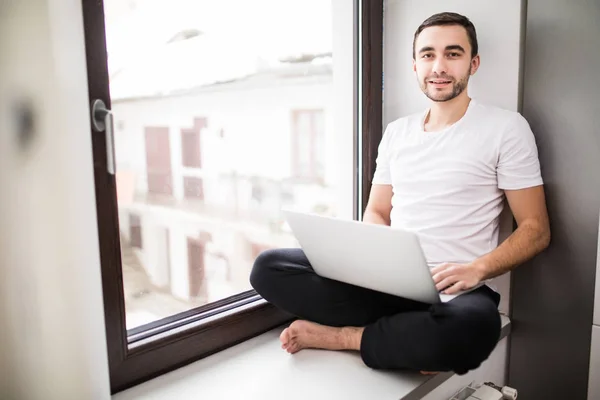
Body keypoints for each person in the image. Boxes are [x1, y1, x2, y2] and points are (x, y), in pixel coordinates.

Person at [249, 12, 551, 375]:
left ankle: (344, 338)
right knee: (269, 268)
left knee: (473, 331)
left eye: (452, 54)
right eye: (428, 55)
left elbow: (536, 229)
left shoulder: (506, 128)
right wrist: (376, 260)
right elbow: (377, 211)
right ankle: (406, 340)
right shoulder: (397, 133)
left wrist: (478, 268)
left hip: (457, 292)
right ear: (415, 65)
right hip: (387, 285)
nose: (438, 66)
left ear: (473, 63)